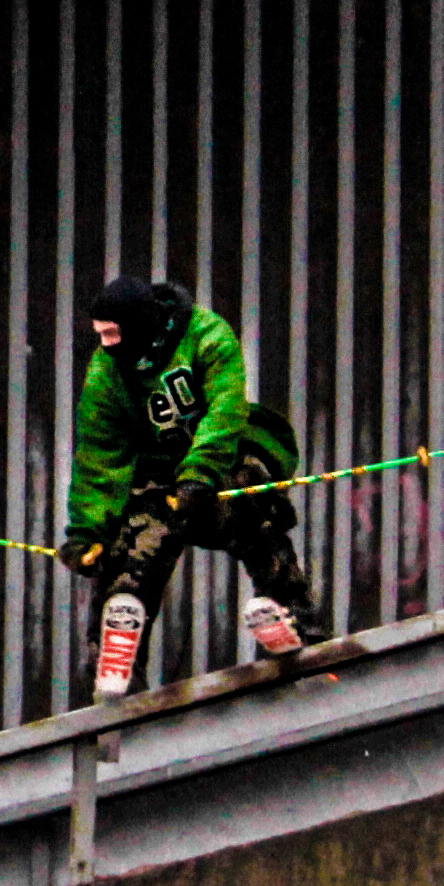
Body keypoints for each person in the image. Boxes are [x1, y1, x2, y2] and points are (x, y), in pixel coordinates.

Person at [60, 275, 331, 699]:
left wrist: (200, 474)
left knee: (253, 513)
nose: (106, 343)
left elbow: (226, 409)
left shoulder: (206, 335)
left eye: (112, 333)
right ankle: (119, 646)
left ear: (139, 325)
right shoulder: (106, 372)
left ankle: (290, 611)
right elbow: (100, 454)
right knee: (134, 541)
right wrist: (86, 531)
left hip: (222, 462)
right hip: (161, 478)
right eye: (100, 335)